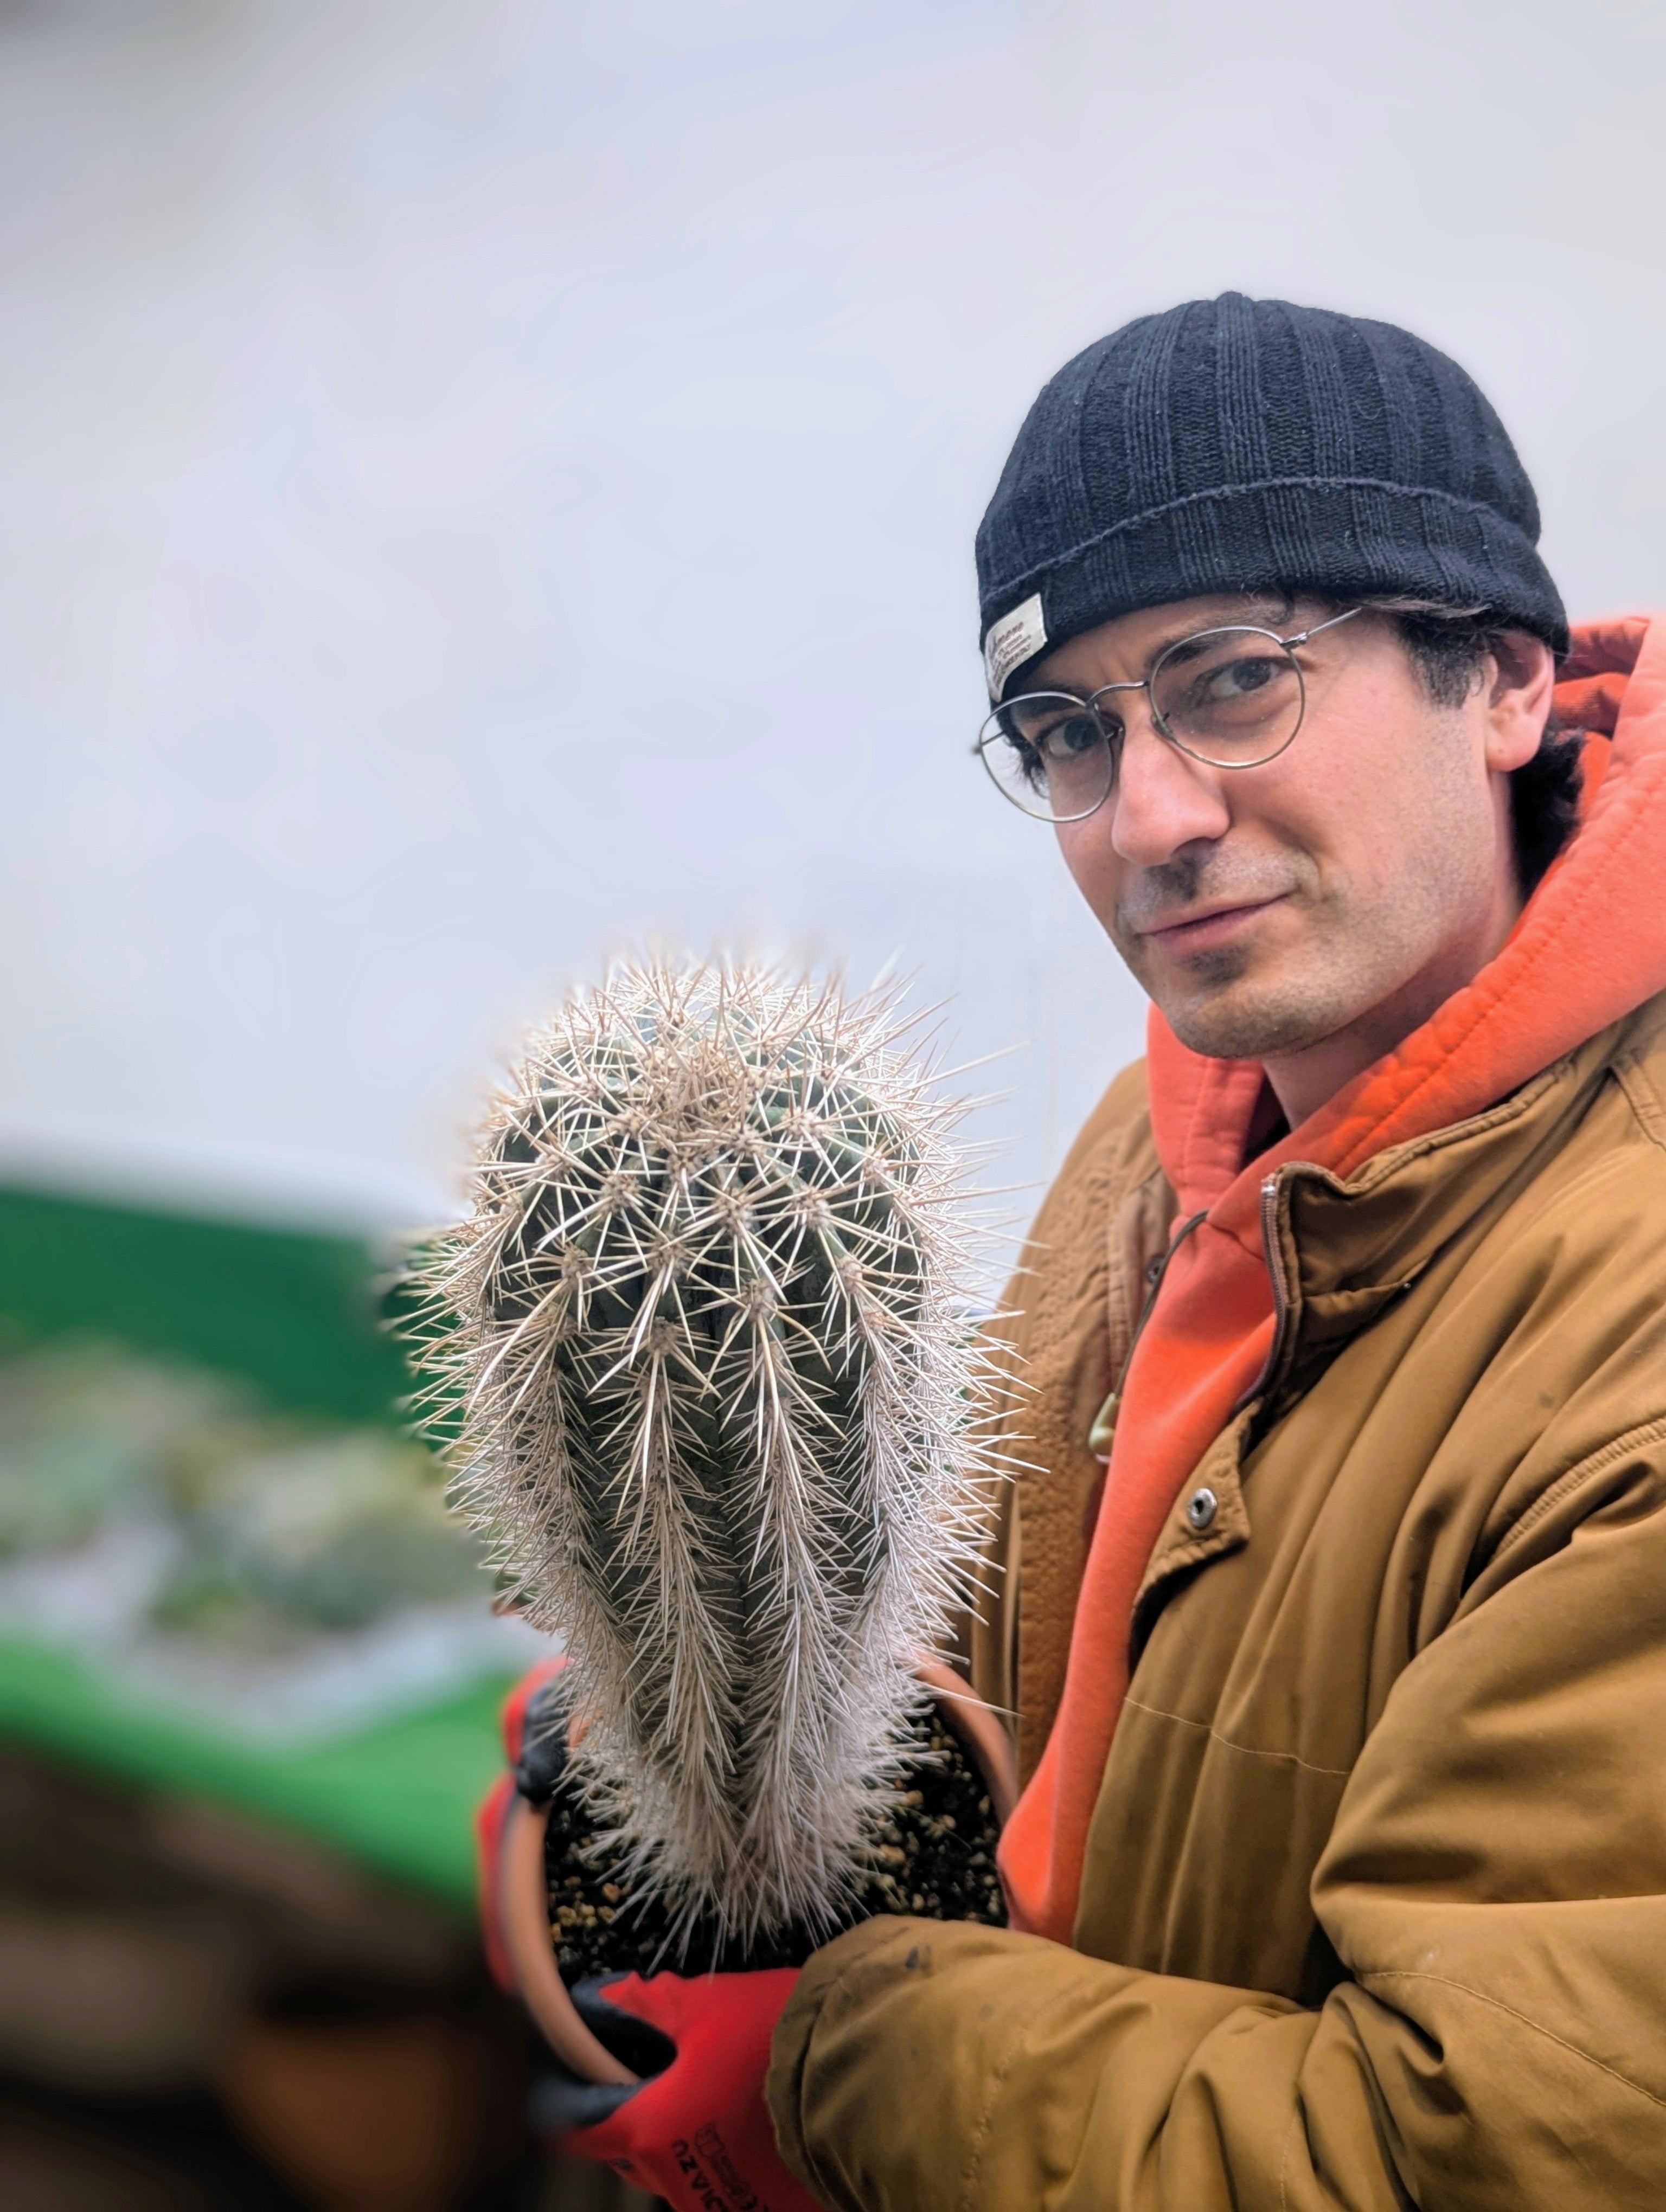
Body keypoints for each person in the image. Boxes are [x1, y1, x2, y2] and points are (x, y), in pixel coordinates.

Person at [487, 294, 1666, 2208]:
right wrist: (677, 1740)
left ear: (1507, 683)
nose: (1151, 818)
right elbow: (1014, 1612)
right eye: (1066, 731)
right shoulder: (1191, 1110)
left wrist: (831, 2054)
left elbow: (1469, 2157)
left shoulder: (1633, 1340)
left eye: (1233, 681)